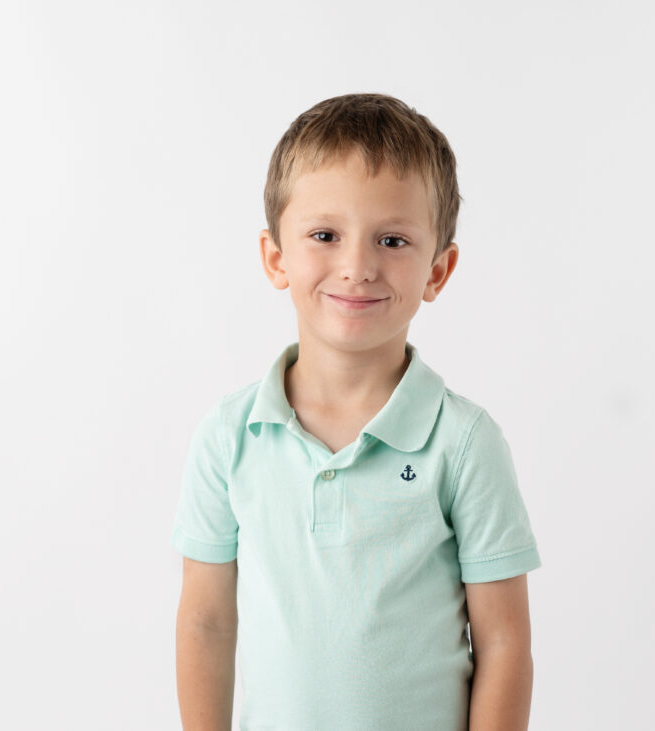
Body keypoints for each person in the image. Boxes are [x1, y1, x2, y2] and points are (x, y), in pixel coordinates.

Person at [172, 92, 542, 730]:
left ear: (438, 270)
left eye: (393, 240)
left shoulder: (463, 442)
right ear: (275, 257)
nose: (358, 267)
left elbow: (505, 643)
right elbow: (206, 621)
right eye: (325, 235)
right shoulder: (229, 436)